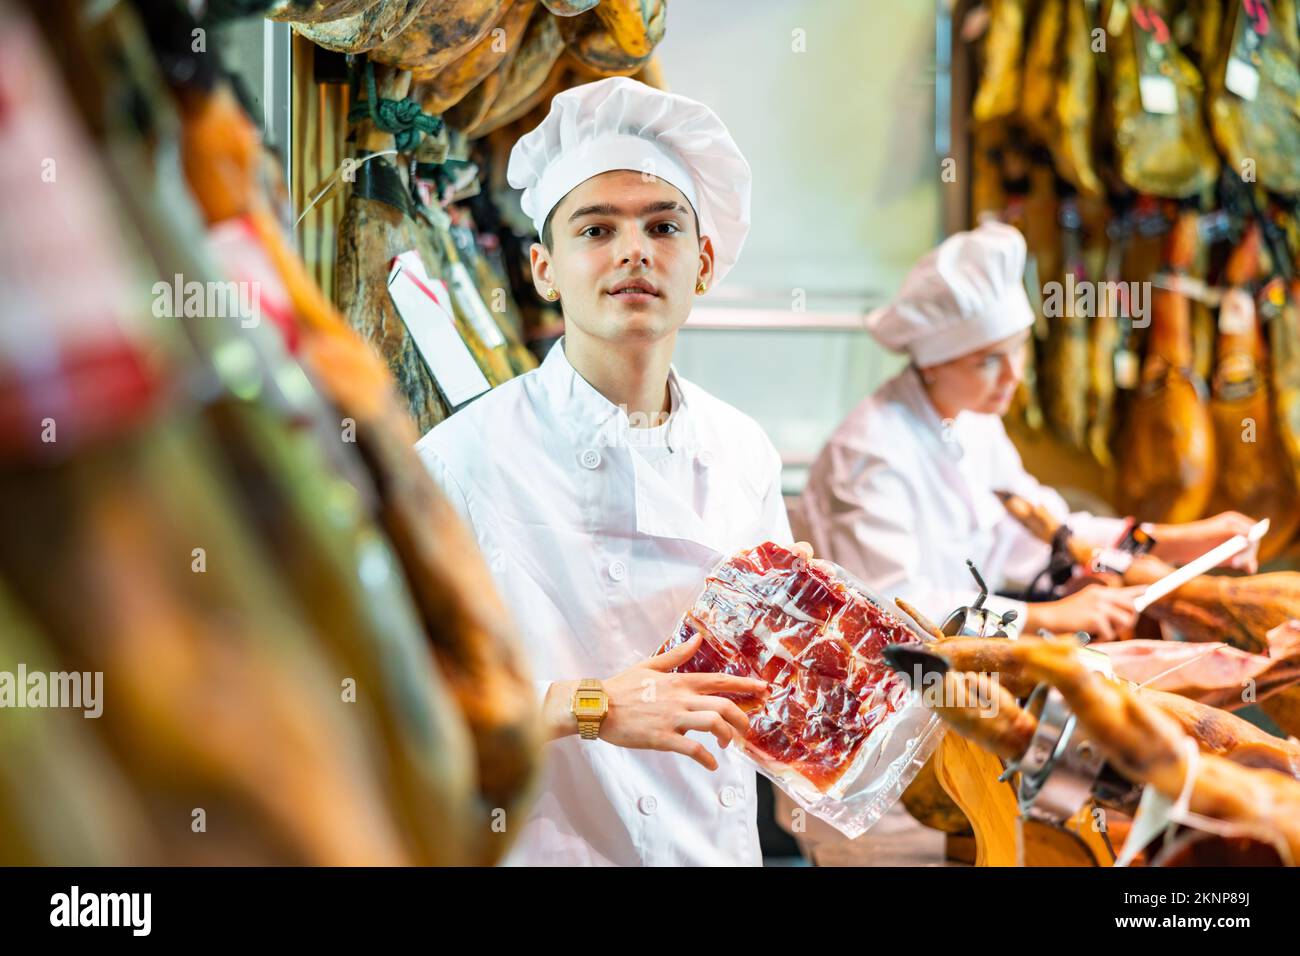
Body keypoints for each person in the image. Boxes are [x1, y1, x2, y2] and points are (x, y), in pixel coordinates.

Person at [416, 77, 794, 866]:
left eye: (664, 226)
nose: (634, 251)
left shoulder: (743, 451)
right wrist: (588, 707)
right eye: (596, 229)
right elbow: (395, 701)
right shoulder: (461, 460)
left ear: (703, 261)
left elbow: (768, 682)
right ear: (544, 269)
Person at [799, 222, 1260, 641]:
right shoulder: (871, 454)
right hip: (883, 685)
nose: (1013, 376)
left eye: (1017, 350)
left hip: (958, 662)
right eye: (987, 361)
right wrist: (1047, 618)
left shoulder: (972, 420)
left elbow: (1042, 526)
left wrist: (1179, 539)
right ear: (933, 363)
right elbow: (895, 604)